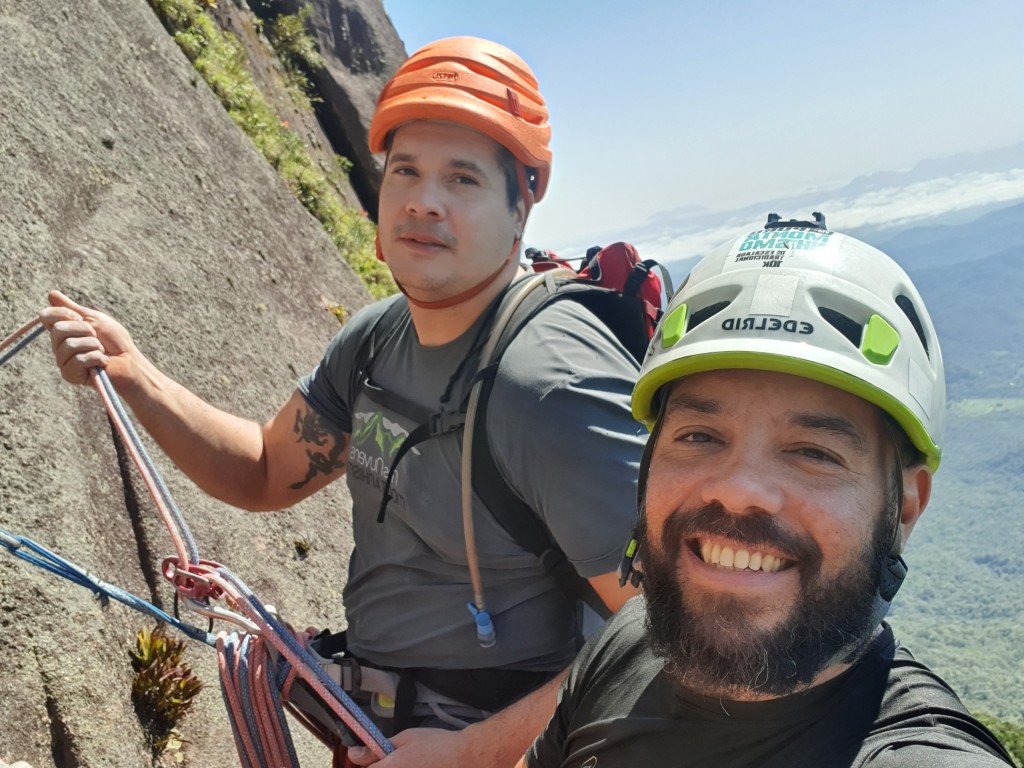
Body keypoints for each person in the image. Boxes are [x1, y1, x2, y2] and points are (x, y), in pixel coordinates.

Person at [41, 37, 642, 767]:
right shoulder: (377, 340)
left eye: (462, 178)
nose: (423, 200)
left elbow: (669, 631)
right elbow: (267, 470)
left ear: (522, 206)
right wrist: (134, 373)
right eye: (406, 170)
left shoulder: (548, 381)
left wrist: (472, 753)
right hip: (383, 734)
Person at [520, 218, 1016, 767]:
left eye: (814, 452)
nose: (737, 492)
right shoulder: (628, 645)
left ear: (904, 509)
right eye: (699, 436)